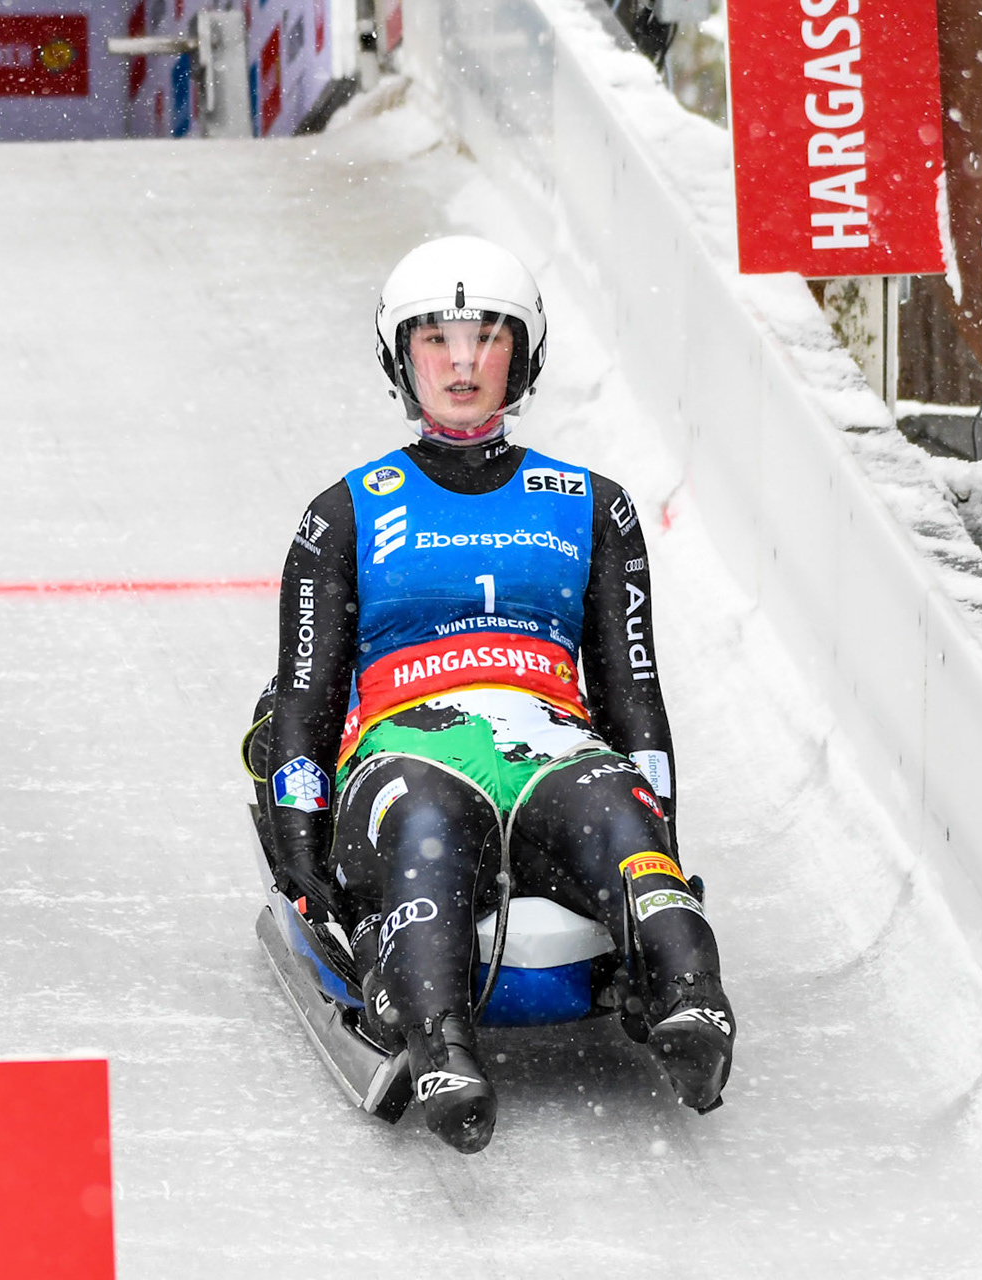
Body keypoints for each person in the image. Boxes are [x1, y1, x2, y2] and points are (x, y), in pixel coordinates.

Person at [246, 235, 735, 1154]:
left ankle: (692, 999)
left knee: (610, 804)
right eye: (437, 339)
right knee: (429, 824)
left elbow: (632, 692)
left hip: (553, 744)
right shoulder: (343, 512)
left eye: (488, 338)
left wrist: (657, 814)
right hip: (404, 751)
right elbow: (306, 698)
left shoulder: (593, 504)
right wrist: (300, 855)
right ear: (402, 358)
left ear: (527, 354)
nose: (463, 362)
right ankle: (442, 1043)